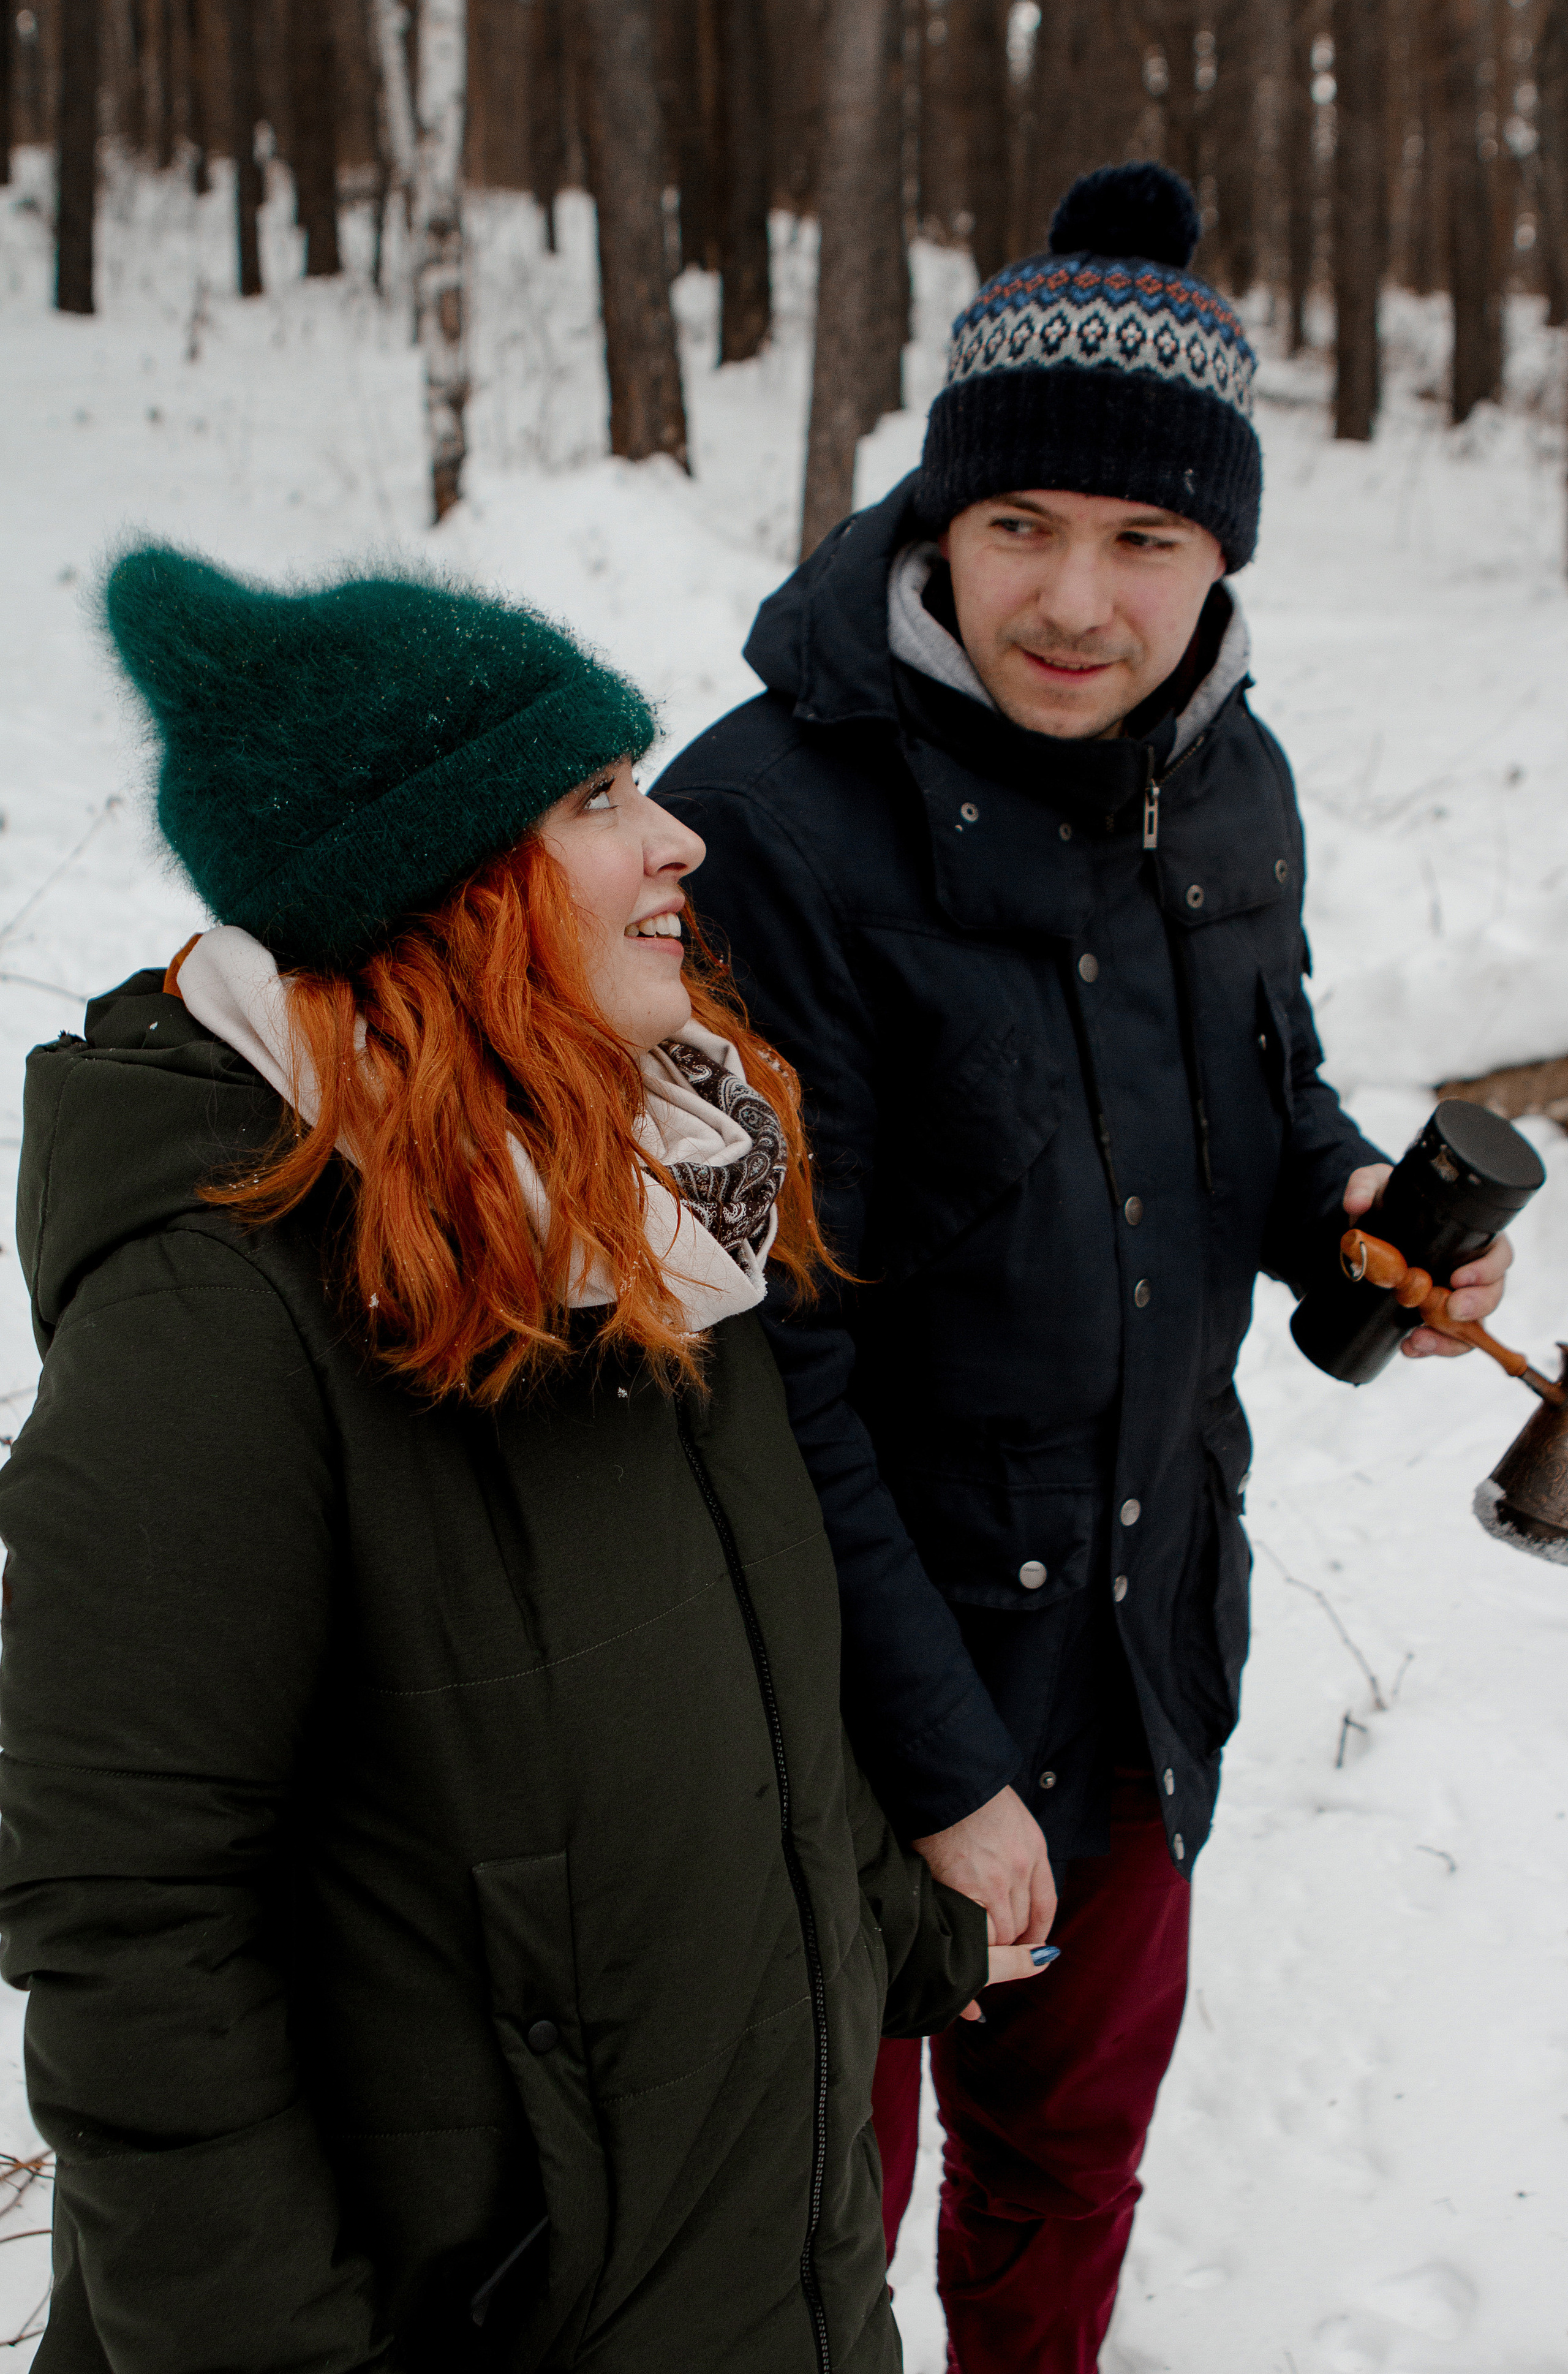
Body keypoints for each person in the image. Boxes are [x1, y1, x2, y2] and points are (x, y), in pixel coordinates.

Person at [0, 545, 1050, 2372]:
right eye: (599, 798)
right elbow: (131, 1931)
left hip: (763, 2282)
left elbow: (714, 1726)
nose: (679, 843)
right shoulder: (213, 1312)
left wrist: (898, 1924)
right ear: (447, 881)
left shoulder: (641, 1209)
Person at [652, 163, 1512, 2370]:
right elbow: (753, 1353)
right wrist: (938, 1768)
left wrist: (1366, 1233)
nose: (1075, 598)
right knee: (803, 2219)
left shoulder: (1236, 787)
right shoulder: (765, 820)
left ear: (1222, 555)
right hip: (843, 1700)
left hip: (1135, 1642)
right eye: (1022, 522)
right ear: (938, 519)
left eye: (1146, 540)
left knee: (1065, 2171)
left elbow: (1263, 1103)